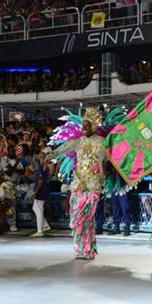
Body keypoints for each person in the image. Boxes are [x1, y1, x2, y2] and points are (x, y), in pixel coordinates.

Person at [48, 108, 105, 260]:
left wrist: (101, 173)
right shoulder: (78, 142)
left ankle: (88, 250)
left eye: (86, 126)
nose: (83, 129)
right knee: (77, 216)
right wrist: (52, 154)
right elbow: (64, 148)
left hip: (92, 184)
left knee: (87, 217)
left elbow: (102, 159)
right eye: (83, 126)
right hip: (79, 183)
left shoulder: (101, 142)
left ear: (93, 127)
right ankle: (81, 249)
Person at [31, 152, 52, 238]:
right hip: (43, 190)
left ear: (40, 158)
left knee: (39, 209)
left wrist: (35, 192)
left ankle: (40, 231)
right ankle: (45, 225)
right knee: (35, 207)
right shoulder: (44, 167)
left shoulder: (42, 168)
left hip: (41, 191)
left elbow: (40, 181)